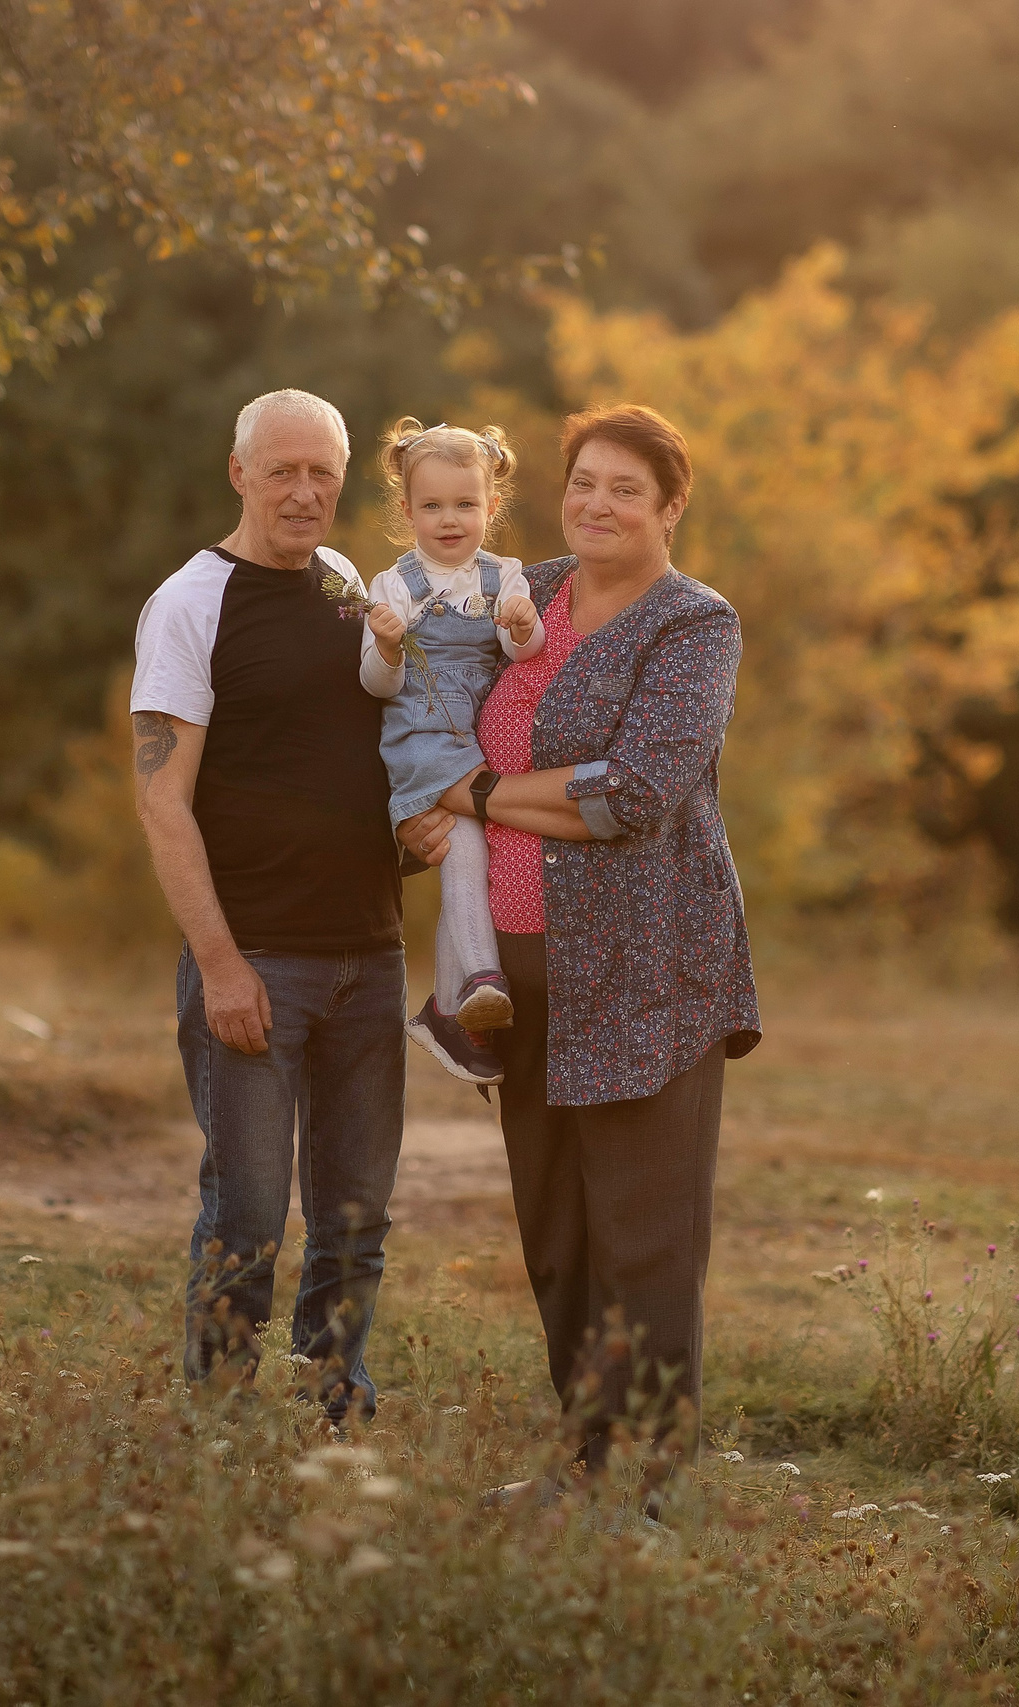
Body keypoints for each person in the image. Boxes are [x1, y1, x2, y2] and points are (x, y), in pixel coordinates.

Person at [399, 403, 761, 1498]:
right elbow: (433, 701)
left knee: (642, 1242)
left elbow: (635, 793)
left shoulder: (692, 625)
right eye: (586, 482)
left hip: (649, 973)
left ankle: (644, 1490)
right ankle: (584, 1465)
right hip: (515, 974)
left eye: (627, 490)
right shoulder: (527, 591)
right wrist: (428, 799)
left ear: (669, 507)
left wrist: (483, 794)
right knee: (557, 1236)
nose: (599, 503)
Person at [129, 387, 405, 1426]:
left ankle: (333, 1398)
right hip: (257, 962)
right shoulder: (190, 603)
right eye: (281, 469)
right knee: (246, 1215)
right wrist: (221, 961)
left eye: (321, 472)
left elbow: (355, 752)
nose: (303, 491)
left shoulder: (343, 586)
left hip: (367, 955)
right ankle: (222, 1415)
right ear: (238, 473)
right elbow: (163, 804)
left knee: (354, 1216)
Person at [357, 418, 546, 1088]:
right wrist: (383, 646)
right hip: (425, 737)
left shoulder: (506, 576)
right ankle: (480, 977)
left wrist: (525, 626)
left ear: (491, 508)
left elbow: (525, 650)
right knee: (465, 846)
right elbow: (378, 685)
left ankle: (447, 1005)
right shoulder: (394, 586)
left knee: (479, 847)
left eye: (465, 504)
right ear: (406, 510)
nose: (448, 519)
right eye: (431, 505)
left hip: (482, 738)